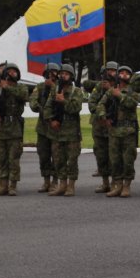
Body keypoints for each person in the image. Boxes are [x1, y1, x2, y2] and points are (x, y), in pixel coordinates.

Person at [0, 62, 28, 196]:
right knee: (0, 157)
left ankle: (12, 185)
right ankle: (2, 184)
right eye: (9, 71)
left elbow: (23, 96)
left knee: (13, 158)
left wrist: (7, 87)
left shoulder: (21, 87)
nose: (12, 74)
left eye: (14, 71)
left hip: (14, 127)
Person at [101, 64, 139, 198]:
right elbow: (101, 104)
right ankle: (117, 185)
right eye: (121, 72)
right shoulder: (111, 90)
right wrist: (104, 117)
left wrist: (120, 96)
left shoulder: (133, 90)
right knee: (115, 160)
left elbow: (132, 103)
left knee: (128, 159)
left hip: (128, 130)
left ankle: (126, 186)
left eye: (126, 73)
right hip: (114, 130)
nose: (123, 75)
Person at [48, 64, 84, 197]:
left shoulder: (77, 91)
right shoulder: (54, 90)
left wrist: (64, 101)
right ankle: (62, 185)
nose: (63, 76)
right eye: (61, 73)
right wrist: (52, 120)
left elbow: (75, 108)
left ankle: (71, 186)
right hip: (57, 132)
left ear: (71, 76)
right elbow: (47, 108)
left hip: (72, 133)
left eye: (66, 74)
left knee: (72, 160)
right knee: (58, 159)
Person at [29, 62, 60, 193]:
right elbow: (33, 103)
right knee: (43, 155)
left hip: (56, 127)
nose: (51, 75)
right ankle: (46, 181)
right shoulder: (40, 87)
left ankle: (55, 181)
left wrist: (53, 87)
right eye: (49, 73)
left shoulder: (60, 87)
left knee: (57, 155)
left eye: (53, 73)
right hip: (43, 127)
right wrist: (42, 110)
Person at [88, 60, 118, 189]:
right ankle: (105, 182)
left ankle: (115, 182)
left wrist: (110, 90)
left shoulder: (119, 86)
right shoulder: (99, 87)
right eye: (108, 70)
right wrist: (101, 114)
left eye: (113, 71)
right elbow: (92, 104)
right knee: (101, 155)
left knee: (114, 155)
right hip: (99, 126)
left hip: (113, 125)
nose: (111, 73)